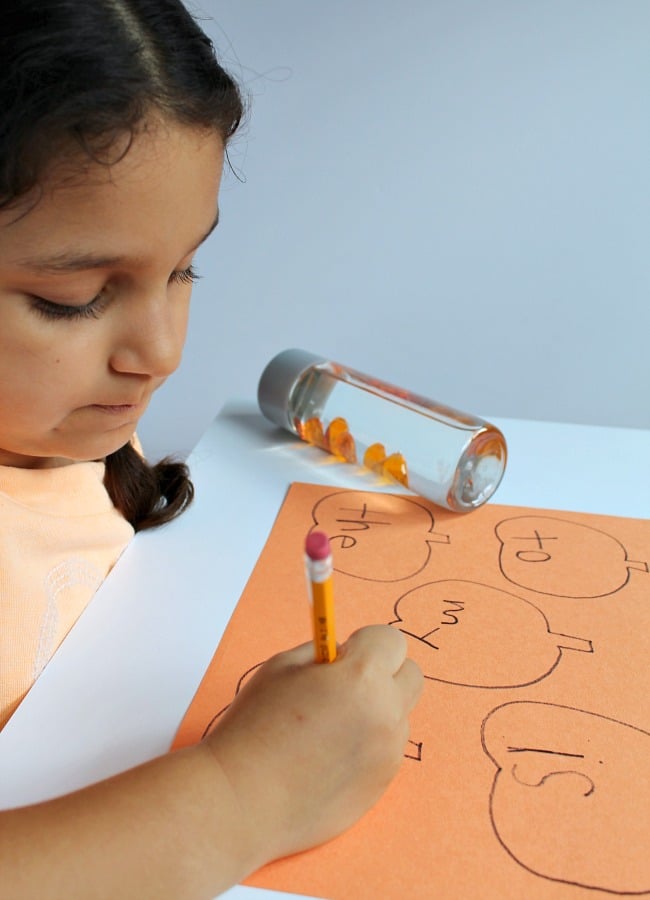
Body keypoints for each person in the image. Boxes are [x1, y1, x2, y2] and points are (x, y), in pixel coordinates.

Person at [0, 1, 424, 897]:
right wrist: (247, 794)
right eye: (73, 300)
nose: (159, 353)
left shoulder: (61, 429)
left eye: (182, 269)